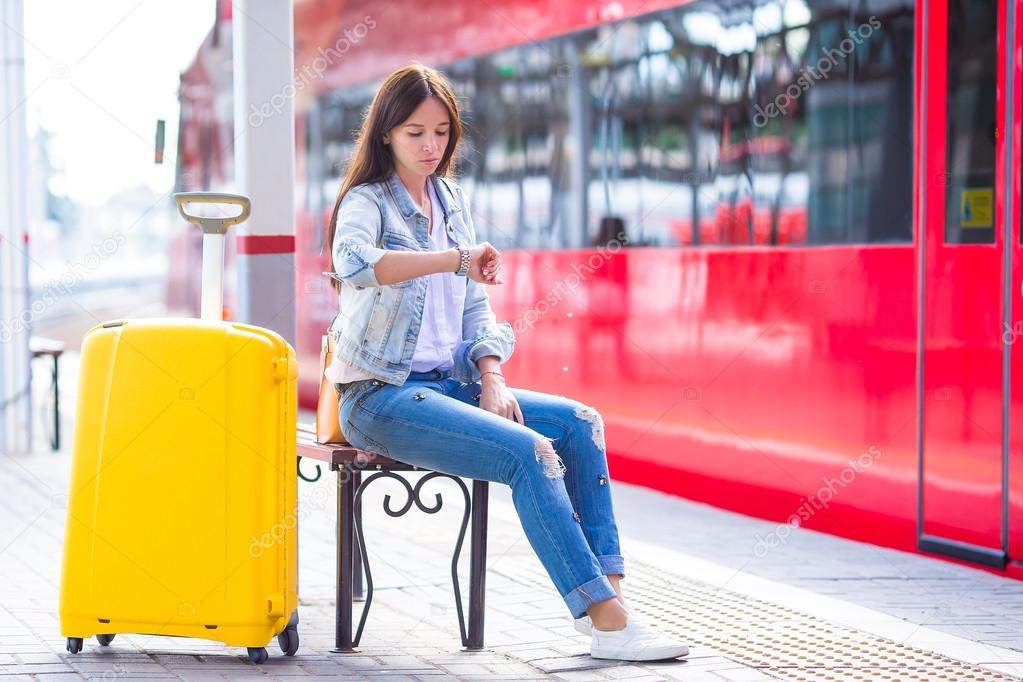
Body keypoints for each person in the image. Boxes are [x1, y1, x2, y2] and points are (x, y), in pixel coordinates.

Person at [324, 63, 688, 662]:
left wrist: (492, 377)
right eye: (415, 132)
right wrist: (453, 257)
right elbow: (360, 264)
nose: (431, 146)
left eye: (441, 132)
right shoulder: (368, 202)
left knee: (580, 423)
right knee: (531, 453)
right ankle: (607, 618)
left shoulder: (451, 199)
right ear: (386, 133)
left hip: (449, 386)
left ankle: (611, 615)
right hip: (380, 396)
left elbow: (476, 305)